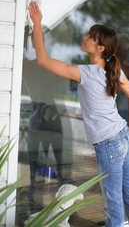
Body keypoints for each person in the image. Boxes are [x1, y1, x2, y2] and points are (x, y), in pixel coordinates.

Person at [28, 1, 129, 227]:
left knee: (113, 200)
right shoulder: (113, 70)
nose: (85, 37)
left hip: (109, 143)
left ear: (100, 48)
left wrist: (37, 24)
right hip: (124, 136)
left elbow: (42, 60)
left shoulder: (88, 73)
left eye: (90, 36)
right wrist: (117, 79)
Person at [22, 25, 73, 208]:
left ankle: (63, 211)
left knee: (58, 171)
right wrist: (29, 33)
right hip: (43, 119)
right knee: (37, 172)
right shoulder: (32, 65)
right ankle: (35, 210)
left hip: (55, 119)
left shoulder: (53, 64)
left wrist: (29, 34)